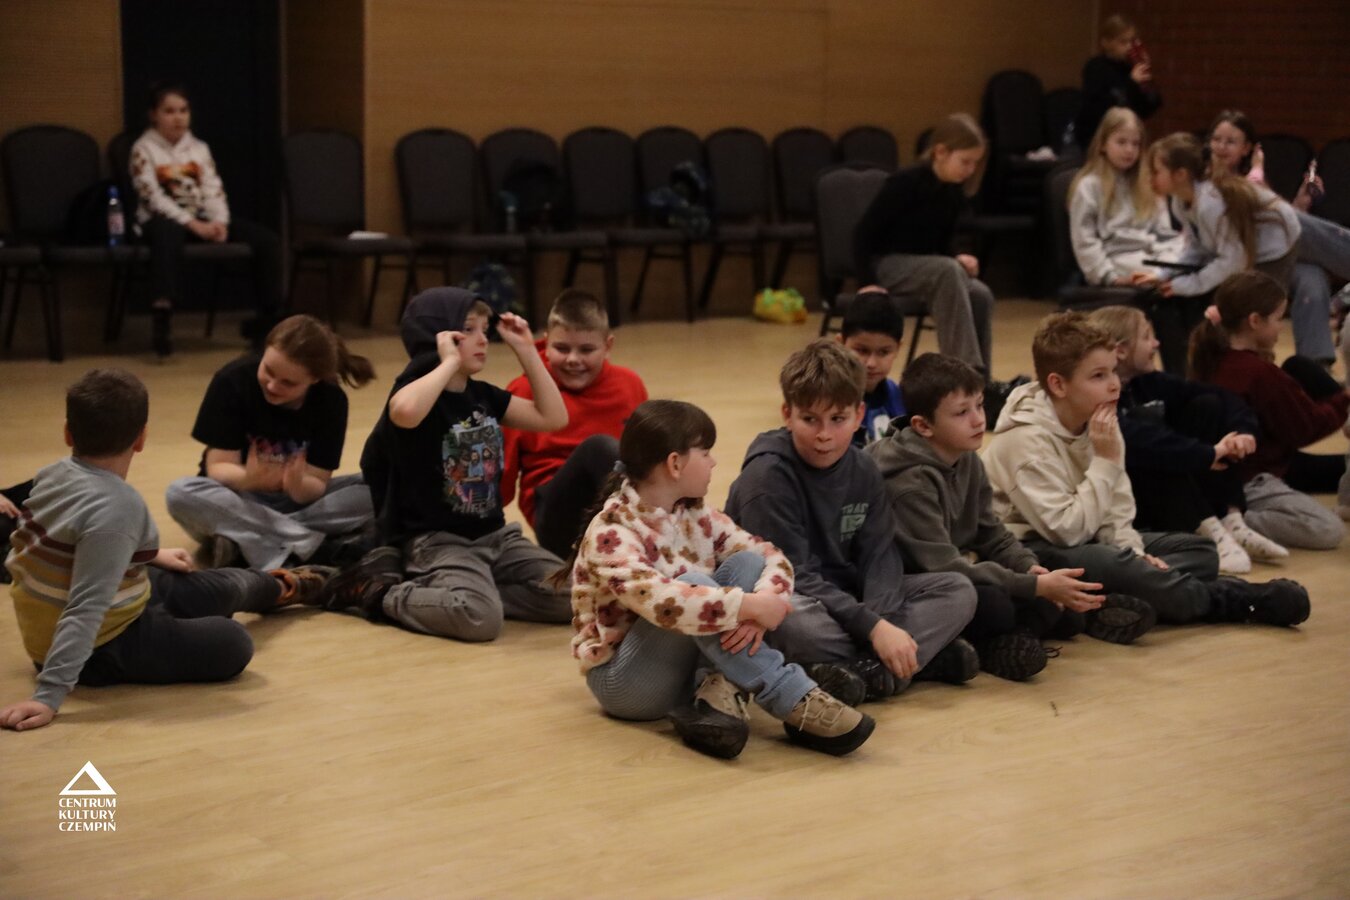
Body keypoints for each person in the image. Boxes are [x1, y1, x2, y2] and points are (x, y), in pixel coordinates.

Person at [0, 369, 331, 733]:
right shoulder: (118, 508)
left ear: (67, 432)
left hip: (119, 602)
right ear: (141, 438)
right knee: (233, 642)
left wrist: (152, 555)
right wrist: (48, 695)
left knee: (222, 586)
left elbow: (73, 546)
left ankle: (286, 586)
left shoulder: (52, 474)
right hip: (100, 646)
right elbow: (85, 607)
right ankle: (281, 588)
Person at [568, 399, 874, 760]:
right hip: (626, 685)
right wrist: (748, 606)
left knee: (746, 563)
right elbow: (665, 603)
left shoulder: (694, 513)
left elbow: (769, 555)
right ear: (675, 464)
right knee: (692, 581)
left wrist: (766, 601)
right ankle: (790, 693)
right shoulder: (612, 532)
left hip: (681, 667)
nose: (713, 462)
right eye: (706, 452)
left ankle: (717, 695)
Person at [981, 311, 1310, 631]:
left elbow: (1119, 509)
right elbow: (1066, 532)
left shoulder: (1099, 421)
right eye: (1098, 376)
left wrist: (1134, 551)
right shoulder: (1024, 440)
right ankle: (1229, 599)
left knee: (1201, 551)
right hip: (1035, 551)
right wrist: (1105, 462)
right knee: (1116, 565)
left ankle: (1111, 601)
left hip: (1090, 541)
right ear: (1058, 384)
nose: (1114, 385)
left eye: (1113, 372)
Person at [725, 339, 980, 701]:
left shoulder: (863, 466)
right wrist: (873, 628)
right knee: (793, 621)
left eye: (838, 419)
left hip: (847, 597)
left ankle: (866, 668)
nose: (824, 435)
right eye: (809, 419)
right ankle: (907, 663)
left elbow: (879, 553)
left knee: (957, 590)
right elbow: (793, 574)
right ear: (787, 414)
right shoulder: (767, 477)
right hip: (792, 593)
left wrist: (882, 621)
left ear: (859, 415)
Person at [316, 288, 573, 643]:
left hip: (495, 536)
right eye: (469, 329)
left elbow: (554, 417)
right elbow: (405, 412)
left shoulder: (482, 395)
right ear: (438, 337)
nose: (483, 339)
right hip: (439, 541)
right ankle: (375, 592)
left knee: (577, 596)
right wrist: (448, 362)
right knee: (478, 620)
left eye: (485, 330)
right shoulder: (414, 392)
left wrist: (528, 351)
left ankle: (475, 591)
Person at [870, 352, 1157, 662]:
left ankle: (1043, 627)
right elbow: (944, 568)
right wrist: (1034, 586)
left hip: (961, 568)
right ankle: (1001, 642)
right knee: (996, 605)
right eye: (962, 412)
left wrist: (1029, 567)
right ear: (923, 426)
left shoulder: (965, 457)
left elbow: (992, 533)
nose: (978, 420)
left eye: (979, 405)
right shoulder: (909, 483)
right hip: (920, 584)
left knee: (1047, 583)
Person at [166, 314, 377, 572]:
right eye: (268, 370)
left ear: (314, 380)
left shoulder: (331, 400)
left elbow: (317, 483)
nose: (273, 385)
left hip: (292, 503)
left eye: (288, 383)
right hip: (236, 498)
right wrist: (249, 479)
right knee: (181, 493)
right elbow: (218, 467)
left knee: (378, 486)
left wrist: (297, 485)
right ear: (264, 351)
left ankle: (248, 541)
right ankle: (317, 548)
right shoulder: (232, 381)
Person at [1088, 305, 1286, 573]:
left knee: (1207, 406)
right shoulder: (1097, 397)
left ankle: (1230, 519)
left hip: (1166, 486)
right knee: (1158, 453)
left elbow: (1221, 396)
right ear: (1121, 350)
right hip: (1128, 499)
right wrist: (1207, 453)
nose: (1156, 343)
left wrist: (1243, 432)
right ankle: (1206, 528)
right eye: (1146, 337)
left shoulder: (1147, 382)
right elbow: (1136, 439)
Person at [1189, 271, 1348, 546]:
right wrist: (1344, 400)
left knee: (1337, 467)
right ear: (1254, 321)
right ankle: (1228, 519)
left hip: (1263, 461)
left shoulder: (1211, 355)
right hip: (1251, 478)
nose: (1280, 328)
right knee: (1326, 529)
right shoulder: (1258, 373)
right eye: (1277, 319)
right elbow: (1306, 428)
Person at [129, 82, 283, 357]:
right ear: (154, 115)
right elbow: (152, 197)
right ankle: (163, 316)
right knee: (167, 233)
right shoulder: (143, 149)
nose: (178, 118)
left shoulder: (199, 149)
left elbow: (213, 189)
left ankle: (267, 320)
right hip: (160, 220)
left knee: (266, 241)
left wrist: (219, 222)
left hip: (201, 218)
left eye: (183, 110)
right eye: (169, 111)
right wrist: (192, 224)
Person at [500, 288, 647, 558]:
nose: (573, 359)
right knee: (598, 449)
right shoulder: (522, 390)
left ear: (608, 346)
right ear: (546, 343)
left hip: (618, 510)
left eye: (586, 349)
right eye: (562, 348)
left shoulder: (629, 385)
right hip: (557, 519)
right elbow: (501, 480)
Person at [1144, 132, 1301, 375]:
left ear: (1180, 174)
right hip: (1243, 250)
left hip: (1275, 246)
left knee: (1254, 318)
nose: (1150, 178)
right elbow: (1198, 248)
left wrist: (1185, 285)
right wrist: (1165, 275)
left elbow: (1232, 260)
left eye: (1156, 171)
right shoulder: (1179, 201)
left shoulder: (1211, 202)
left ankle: (1261, 375)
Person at [853, 113, 995, 380]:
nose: (971, 169)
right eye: (965, 161)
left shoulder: (953, 191)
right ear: (940, 152)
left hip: (926, 270)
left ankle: (982, 382)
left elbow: (939, 245)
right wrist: (867, 282)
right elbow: (863, 235)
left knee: (980, 294)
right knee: (947, 270)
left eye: (975, 163)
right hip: (886, 265)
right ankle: (964, 374)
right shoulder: (904, 183)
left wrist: (957, 257)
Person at [1207, 110, 1350, 365]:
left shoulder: (1252, 180)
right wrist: (1257, 171)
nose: (1221, 147)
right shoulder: (1205, 180)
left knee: (1311, 278)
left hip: (1274, 260)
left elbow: (1275, 226)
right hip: (1239, 263)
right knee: (1297, 223)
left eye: (1230, 142)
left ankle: (1316, 368)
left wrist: (1300, 202)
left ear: (1247, 148)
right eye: (1216, 140)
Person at [1068, 108, 1182, 286]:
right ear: (1103, 144)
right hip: (1117, 261)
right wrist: (1109, 277)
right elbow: (1085, 242)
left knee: (1194, 263)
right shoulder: (1089, 186)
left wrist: (1171, 258)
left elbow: (1164, 234)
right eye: (1121, 142)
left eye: (1135, 144)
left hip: (1153, 255)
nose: (1129, 150)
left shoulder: (1147, 184)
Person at [1074, 14, 1162, 152]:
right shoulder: (1096, 67)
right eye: (1123, 42)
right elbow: (1102, 107)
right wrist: (1131, 83)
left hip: (1125, 135)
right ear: (1106, 42)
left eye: (1131, 41)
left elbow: (1149, 107)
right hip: (1095, 138)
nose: (1129, 47)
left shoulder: (1129, 68)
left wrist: (1146, 80)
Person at [838, 287, 908, 446]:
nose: (871, 363)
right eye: (862, 351)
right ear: (841, 343)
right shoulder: (827, 400)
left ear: (898, 348)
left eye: (884, 352)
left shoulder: (898, 397)